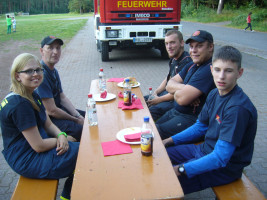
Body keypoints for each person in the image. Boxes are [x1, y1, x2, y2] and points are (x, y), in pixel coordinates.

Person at [163, 45, 257, 194]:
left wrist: (181, 169)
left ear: (239, 73)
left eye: (229, 71)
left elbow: (220, 158)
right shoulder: (214, 93)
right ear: (211, 70)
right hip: (203, 149)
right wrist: (168, 141)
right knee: (161, 154)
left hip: (224, 168)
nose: (221, 77)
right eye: (218, 70)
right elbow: (199, 127)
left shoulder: (237, 109)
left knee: (165, 182)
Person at [0, 53, 79, 200]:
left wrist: (62, 135)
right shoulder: (19, 104)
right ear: (17, 76)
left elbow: (47, 123)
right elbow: (39, 146)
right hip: (27, 158)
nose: (35, 74)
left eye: (38, 69)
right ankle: (67, 195)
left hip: (32, 148)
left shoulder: (31, 94)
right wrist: (61, 140)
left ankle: (69, 192)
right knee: (83, 156)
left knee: (79, 151)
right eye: (29, 71)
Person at [156, 30, 216, 140]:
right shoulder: (191, 65)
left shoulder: (209, 69)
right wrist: (186, 88)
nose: (193, 50)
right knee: (150, 126)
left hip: (192, 118)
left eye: (199, 46)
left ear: (210, 47)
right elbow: (169, 84)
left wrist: (181, 92)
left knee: (155, 133)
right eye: (192, 46)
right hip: (176, 111)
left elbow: (182, 99)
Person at [36, 36, 85, 142]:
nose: (55, 52)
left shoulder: (53, 70)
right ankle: (79, 153)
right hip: (47, 119)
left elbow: (62, 97)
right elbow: (51, 110)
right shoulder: (41, 75)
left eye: (58, 48)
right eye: (50, 48)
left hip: (58, 110)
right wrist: (76, 120)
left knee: (89, 116)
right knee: (81, 130)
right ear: (41, 51)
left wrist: (78, 115)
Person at [145, 30, 192, 121]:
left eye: (172, 43)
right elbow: (168, 78)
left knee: (151, 111)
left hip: (174, 99)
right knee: (142, 100)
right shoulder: (173, 59)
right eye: (166, 43)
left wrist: (159, 99)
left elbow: (183, 92)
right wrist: (156, 92)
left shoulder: (187, 62)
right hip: (165, 94)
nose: (169, 47)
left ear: (182, 43)